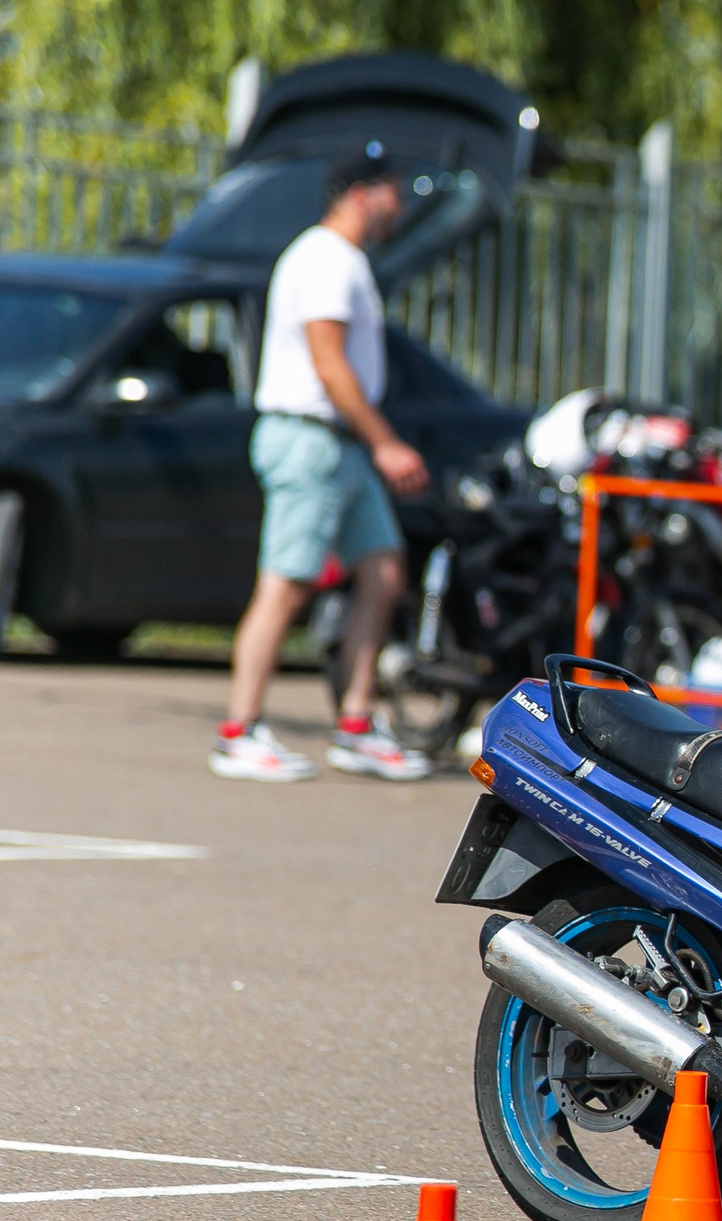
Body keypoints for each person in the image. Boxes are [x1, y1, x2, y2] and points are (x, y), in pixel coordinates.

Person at [213, 142, 431, 783]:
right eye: (394, 189)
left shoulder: (343, 260)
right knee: (284, 584)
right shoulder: (327, 259)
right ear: (362, 193)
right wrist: (385, 441)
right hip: (311, 436)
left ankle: (357, 724)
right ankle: (239, 730)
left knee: (383, 570)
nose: (402, 203)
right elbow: (328, 361)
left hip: (338, 442)